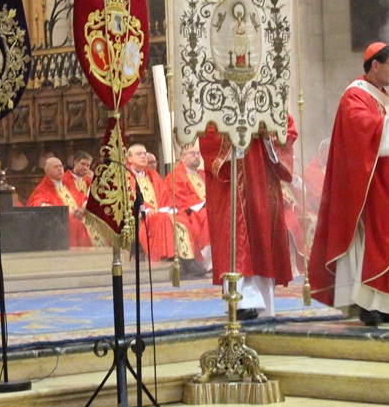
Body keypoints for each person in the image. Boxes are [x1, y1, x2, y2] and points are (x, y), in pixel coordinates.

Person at [308, 42, 389, 327]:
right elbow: (359, 126)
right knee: (370, 243)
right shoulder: (354, 96)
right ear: (376, 65)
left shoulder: (384, 98)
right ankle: (366, 303)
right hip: (366, 189)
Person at [199, 114, 298, 320]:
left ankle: (263, 300)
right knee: (237, 236)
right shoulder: (219, 95)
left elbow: (286, 127)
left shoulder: (265, 91)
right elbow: (208, 132)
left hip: (263, 174)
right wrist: (241, 131)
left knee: (262, 233)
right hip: (233, 175)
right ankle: (242, 299)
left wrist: (267, 132)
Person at [126, 143, 193, 261]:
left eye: (144, 154)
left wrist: (167, 208)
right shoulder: (125, 177)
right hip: (138, 217)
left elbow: (165, 194)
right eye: (138, 154)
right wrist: (145, 209)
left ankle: (187, 259)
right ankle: (168, 257)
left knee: (182, 219)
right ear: (129, 158)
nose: (143, 156)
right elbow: (126, 199)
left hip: (157, 214)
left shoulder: (152, 175)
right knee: (164, 219)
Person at [26, 156, 100, 248]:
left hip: (81, 215)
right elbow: (39, 205)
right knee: (78, 225)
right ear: (47, 171)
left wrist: (83, 209)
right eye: (55, 167)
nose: (59, 169)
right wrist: (68, 212)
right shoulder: (42, 189)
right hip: (61, 222)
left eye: (60, 166)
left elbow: (82, 198)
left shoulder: (68, 185)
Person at [162, 143, 211, 278]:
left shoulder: (203, 174)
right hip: (189, 212)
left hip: (205, 209)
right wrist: (200, 204)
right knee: (208, 217)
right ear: (182, 157)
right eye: (192, 153)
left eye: (198, 153)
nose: (196, 156)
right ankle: (207, 263)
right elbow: (177, 199)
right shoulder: (175, 176)